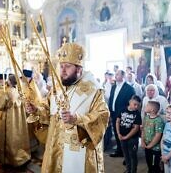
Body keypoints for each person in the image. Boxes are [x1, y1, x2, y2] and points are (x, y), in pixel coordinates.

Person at [26, 42, 110, 172]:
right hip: (55, 145)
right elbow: (46, 107)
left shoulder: (93, 89)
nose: (63, 71)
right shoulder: (58, 86)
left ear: (79, 68)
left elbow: (102, 116)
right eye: (61, 66)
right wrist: (36, 109)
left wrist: (76, 119)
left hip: (78, 148)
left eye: (68, 67)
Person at [0, 74, 31, 166]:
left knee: (10, 137)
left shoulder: (7, 92)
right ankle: (23, 155)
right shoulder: (20, 91)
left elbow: (0, 106)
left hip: (10, 118)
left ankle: (11, 158)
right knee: (19, 135)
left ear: (10, 81)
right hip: (20, 118)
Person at [109, 70, 135, 157]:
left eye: (117, 74)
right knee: (116, 133)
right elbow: (111, 99)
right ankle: (119, 151)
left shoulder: (129, 88)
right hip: (113, 113)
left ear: (123, 76)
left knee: (124, 133)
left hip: (123, 115)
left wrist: (126, 114)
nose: (115, 76)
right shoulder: (113, 86)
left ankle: (126, 154)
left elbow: (131, 103)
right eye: (115, 74)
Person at [116, 95, 142, 173]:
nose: (136, 106)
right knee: (126, 155)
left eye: (138, 105)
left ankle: (133, 171)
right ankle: (128, 170)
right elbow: (117, 121)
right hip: (122, 137)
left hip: (132, 139)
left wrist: (126, 137)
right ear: (130, 102)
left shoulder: (137, 114)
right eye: (135, 104)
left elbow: (136, 128)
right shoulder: (122, 110)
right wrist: (118, 133)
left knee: (132, 156)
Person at [141, 101, 165, 173]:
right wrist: (142, 141)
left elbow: (158, 135)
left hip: (155, 148)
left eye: (147, 106)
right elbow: (143, 130)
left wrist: (150, 145)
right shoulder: (146, 117)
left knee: (154, 165)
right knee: (149, 162)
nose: (145, 107)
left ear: (152, 109)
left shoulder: (158, 120)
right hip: (146, 146)